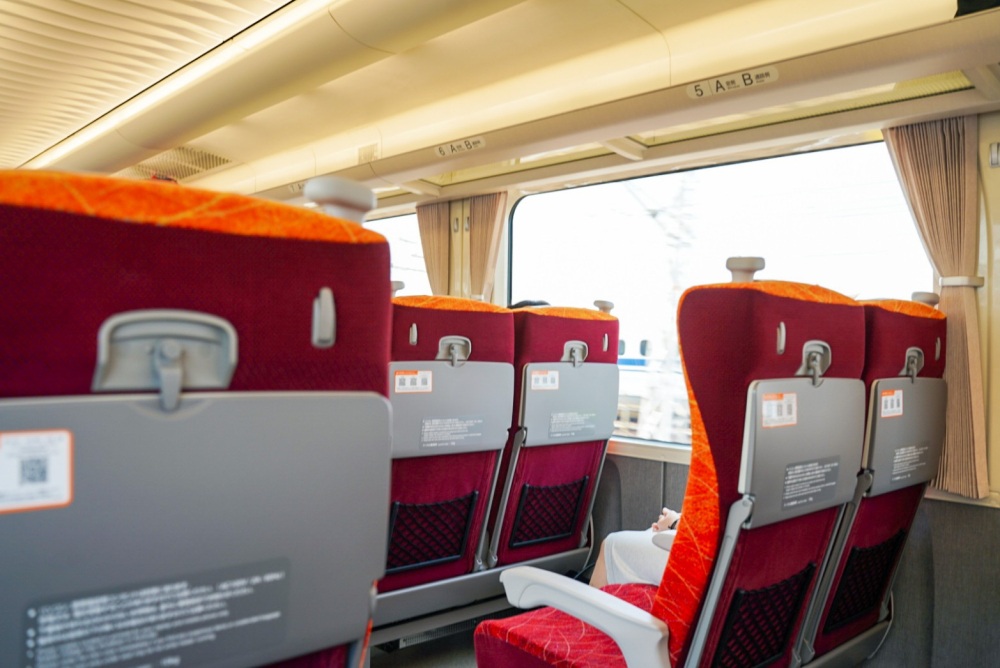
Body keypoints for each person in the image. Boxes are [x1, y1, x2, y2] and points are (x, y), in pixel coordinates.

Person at [589, 507, 681, 588]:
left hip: (686, 552)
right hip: (684, 536)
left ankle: (592, 602)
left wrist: (674, 522)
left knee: (610, 545)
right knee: (652, 531)